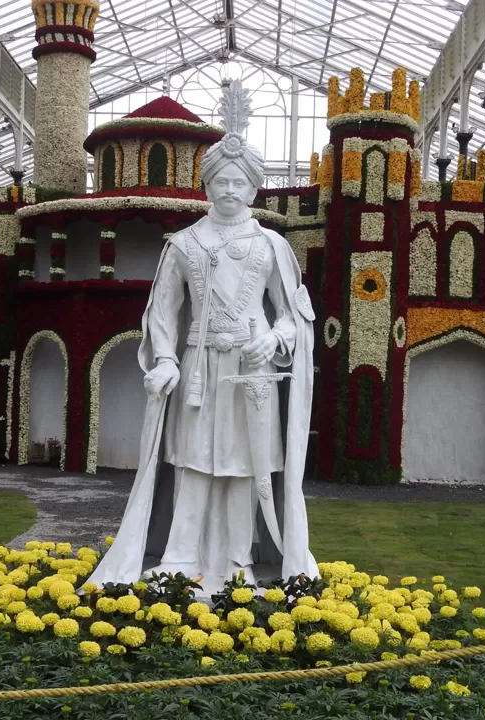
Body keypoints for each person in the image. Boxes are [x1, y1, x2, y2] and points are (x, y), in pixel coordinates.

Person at [87, 81, 317, 593]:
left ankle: (238, 560)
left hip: (252, 374)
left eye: (240, 181)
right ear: (207, 186)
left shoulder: (272, 245)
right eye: (221, 181)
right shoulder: (184, 244)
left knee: (242, 468)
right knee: (192, 463)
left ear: (254, 188)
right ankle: (179, 554)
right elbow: (163, 313)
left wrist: (276, 340)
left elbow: (294, 314)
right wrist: (164, 360)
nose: (230, 189)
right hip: (198, 370)